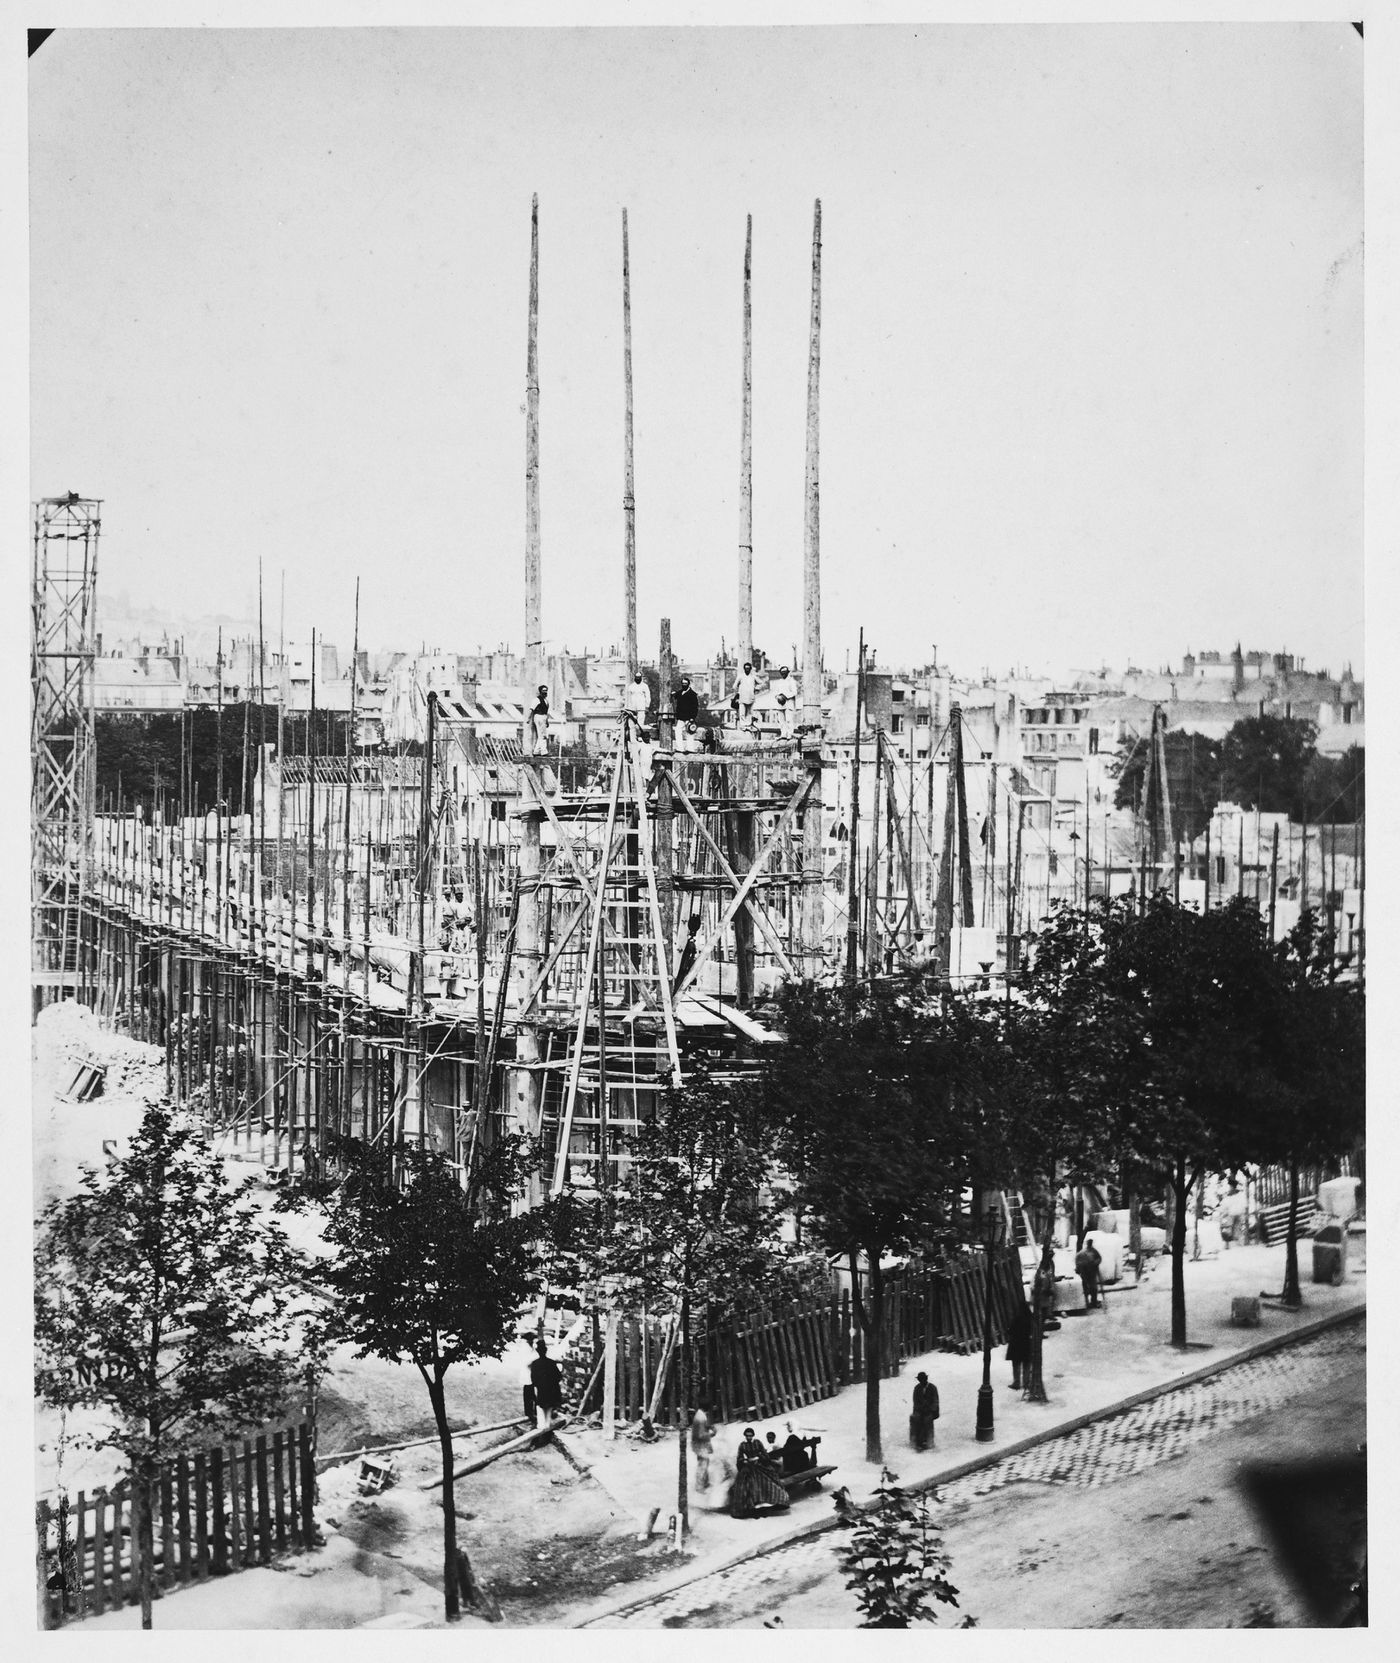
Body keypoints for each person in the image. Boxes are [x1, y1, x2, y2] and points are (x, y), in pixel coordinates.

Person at [730, 1427, 791, 1517]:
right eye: (747, 1436)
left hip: (759, 1465)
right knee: (746, 1487)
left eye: (750, 1436)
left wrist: (758, 1457)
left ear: (753, 1435)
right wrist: (744, 1460)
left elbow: (765, 1455)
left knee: (767, 1484)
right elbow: (739, 1457)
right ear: (745, 1436)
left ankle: (765, 1508)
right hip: (748, 1468)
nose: (749, 1438)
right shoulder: (742, 1445)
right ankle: (752, 1509)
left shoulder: (757, 1442)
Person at [528, 1339, 564, 1427]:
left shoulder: (535, 1364)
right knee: (549, 1410)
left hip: (541, 1391)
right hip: (551, 1392)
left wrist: (540, 1385)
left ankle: (542, 1428)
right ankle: (547, 1427)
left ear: (538, 1352)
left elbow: (533, 1380)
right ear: (545, 1351)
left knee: (541, 1410)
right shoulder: (551, 1363)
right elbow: (559, 1376)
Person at [1006, 1298, 1033, 1390]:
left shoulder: (1017, 1318)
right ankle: (1026, 1383)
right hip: (1027, 1344)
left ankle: (1017, 1382)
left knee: (1016, 1364)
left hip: (1016, 1344)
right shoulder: (1030, 1318)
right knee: (1027, 1364)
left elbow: (1010, 1330)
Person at [909, 1372, 939, 1451]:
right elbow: (915, 1401)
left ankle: (929, 1442)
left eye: (923, 1379)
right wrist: (920, 1409)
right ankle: (916, 1441)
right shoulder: (917, 1388)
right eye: (920, 1380)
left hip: (930, 1411)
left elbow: (935, 1401)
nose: (921, 1381)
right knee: (915, 1418)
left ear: (926, 1379)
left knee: (927, 1419)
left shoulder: (932, 1388)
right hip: (919, 1410)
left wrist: (930, 1409)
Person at [690, 1402, 715, 1492]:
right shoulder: (701, 1417)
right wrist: (711, 1434)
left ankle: (705, 1482)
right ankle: (700, 1487)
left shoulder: (700, 1414)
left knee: (705, 1462)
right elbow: (700, 1435)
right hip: (700, 1445)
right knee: (703, 1465)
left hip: (699, 1444)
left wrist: (709, 1426)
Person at [1075, 1238, 1103, 1309]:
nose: (1089, 1244)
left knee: (1094, 1288)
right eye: (1088, 1243)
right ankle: (1086, 1303)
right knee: (1085, 1288)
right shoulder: (1082, 1252)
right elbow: (1077, 1260)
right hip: (1084, 1273)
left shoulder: (1094, 1251)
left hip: (1092, 1272)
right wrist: (1079, 1268)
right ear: (1087, 1243)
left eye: (1090, 1243)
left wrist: (1095, 1263)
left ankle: (1094, 1302)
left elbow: (1099, 1258)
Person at [623, 671, 652, 736]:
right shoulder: (631, 686)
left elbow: (648, 696)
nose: (638, 679)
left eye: (639, 677)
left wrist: (647, 706)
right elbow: (628, 697)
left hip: (641, 707)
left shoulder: (645, 686)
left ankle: (639, 736)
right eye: (637, 677)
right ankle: (633, 737)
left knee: (640, 723)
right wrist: (627, 707)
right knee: (632, 724)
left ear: (641, 678)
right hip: (632, 708)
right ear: (635, 678)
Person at [773, 666, 795, 735]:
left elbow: (794, 692)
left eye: (785, 672)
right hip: (780, 703)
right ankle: (783, 734)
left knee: (788, 720)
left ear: (787, 672)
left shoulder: (791, 681)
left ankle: (789, 734)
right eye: (782, 672)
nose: (783, 674)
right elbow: (775, 692)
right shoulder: (779, 682)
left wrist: (786, 696)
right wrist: (778, 697)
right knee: (781, 720)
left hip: (788, 703)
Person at [529, 685, 550, 755]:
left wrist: (547, 721)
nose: (545, 692)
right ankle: (544, 751)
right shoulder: (537, 700)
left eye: (546, 690)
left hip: (543, 717)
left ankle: (536, 751)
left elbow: (546, 713)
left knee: (541, 735)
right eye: (543, 690)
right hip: (539, 717)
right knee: (543, 735)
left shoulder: (546, 701)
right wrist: (528, 718)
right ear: (540, 691)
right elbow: (531, 709)